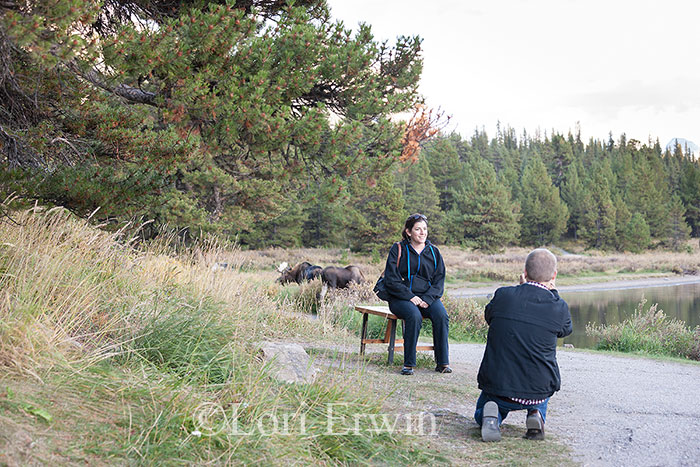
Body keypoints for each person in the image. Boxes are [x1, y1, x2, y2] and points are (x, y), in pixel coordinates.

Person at [474, 248, 572, 442]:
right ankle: (535, 414)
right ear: (554, 275)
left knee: (482, 412)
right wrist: (554, 293)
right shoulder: (558, 306)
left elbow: (489, 316)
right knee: (539, 392)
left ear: (524, 273)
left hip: (498, 385)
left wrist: (521, 288)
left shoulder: (503, 295)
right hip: (538, 390)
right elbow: (565, 330)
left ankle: (492, 417)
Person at [383, 213, 450, 375]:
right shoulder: (398, 249)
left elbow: (439, 280)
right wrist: (410, 297)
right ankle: (409, 364)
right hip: (401, 298)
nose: (422, 233)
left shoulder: (434, 252)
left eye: (425, 229)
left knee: (442, 316)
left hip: (427, 297)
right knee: (414, 316)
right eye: (418, 229)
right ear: (408, 232)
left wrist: (427, 299)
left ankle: (442, 363)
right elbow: (391, 280)